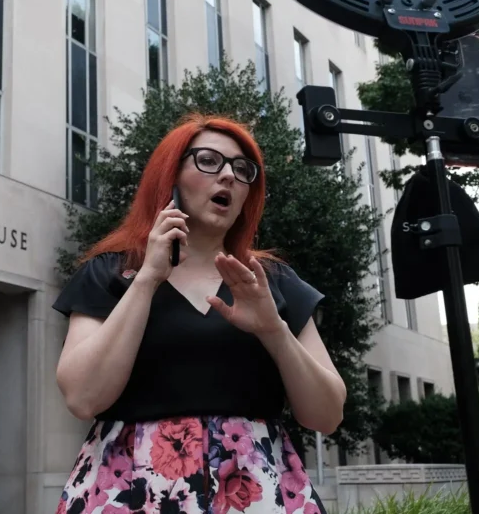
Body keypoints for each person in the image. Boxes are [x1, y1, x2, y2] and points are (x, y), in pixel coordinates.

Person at [51, 113, 346, 514]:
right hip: (131, 489)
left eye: (242, 170)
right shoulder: (109, 274)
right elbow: (82, 397)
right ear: (169, 177)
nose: (228, 176)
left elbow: (327, 415)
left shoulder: (271, 282)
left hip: (256, 490)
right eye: (208, 161)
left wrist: (273, 330)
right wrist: (147, 279)